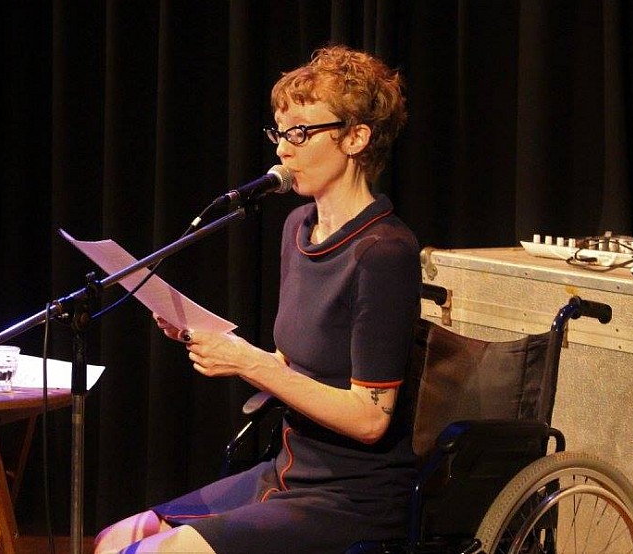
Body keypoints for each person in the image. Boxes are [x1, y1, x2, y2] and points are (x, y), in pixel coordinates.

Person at [94, 45, 421, 554]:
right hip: (289, 470)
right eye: (280, 132)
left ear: (356, 138)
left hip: (352, 495)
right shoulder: (299, 227)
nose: (283, 150)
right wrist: (211, 340)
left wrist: (248, 361)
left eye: (301, 133)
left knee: (161, 553)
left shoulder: (384, 252)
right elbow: (294, 368)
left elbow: (369, 418)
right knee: (114, 539)